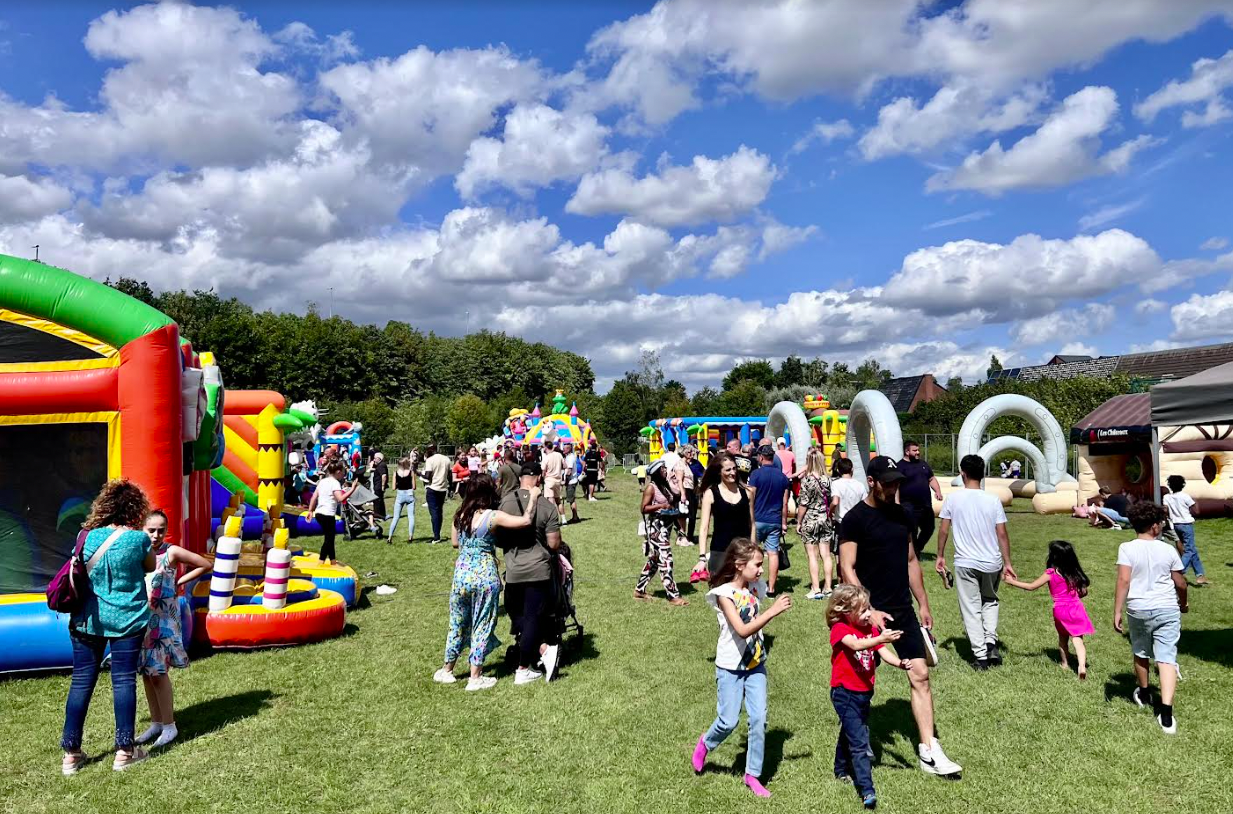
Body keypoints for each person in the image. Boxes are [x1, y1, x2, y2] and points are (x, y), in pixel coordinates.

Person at [838, 456, 962, 777]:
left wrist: (923, 603)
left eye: (896, 482)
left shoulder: (903, 515)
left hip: (902, 609)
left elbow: (910, 561)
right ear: (871, 482)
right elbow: (847, 567)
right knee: (861, 685)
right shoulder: (854, 519)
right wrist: (867, 610)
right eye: (887, 483)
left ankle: (929, 749)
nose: (893, 488)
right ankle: (856, 742)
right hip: (865, 613)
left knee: (920, 674)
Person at [61, 479, 157, 774]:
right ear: (136, 509)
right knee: (124, 681)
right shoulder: (139, 539)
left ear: (104, 506)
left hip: (88, 620)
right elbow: (151, 566)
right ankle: (125, 751)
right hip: (128, 619)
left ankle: (71, 754)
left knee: (81, 682)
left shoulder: (86, 537)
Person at [691, 538, 792, 798]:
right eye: (757, 565)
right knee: (728, 721)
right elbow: (742, 629)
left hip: (756, 664)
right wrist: (773, 612)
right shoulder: (724, 594)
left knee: (758, 719)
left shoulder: (756, 587)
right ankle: (706, 743)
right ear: (739, 565)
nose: (761, 570)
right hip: (730, 666)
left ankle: (752, 774)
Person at [433, 477, 539, 691]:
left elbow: (455, 542)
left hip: (462, 576)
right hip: (485, 576)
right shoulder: (492, 516)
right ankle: (475, 677)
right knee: (482, 623)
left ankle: (447, 670)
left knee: (457, 623)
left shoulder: (460, 515)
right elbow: (526, 520)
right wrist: (534, 497)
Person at [827, 584, 912, 810]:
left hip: (864, 693)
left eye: (868, 609)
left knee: (850, 731)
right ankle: (867, 790)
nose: (868, 614)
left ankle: (840, 769)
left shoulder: (870, 629)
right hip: (844, 693)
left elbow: (882, 651)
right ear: (846, 611)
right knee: (859, 742)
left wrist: (900, 663)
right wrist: (879, 638)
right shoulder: (840, 629)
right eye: (863, 610)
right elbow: (855, 645)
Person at [136, 510, 211, 749]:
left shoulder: (172, 552)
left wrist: (179, 581)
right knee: (147, 674)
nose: (156, 535)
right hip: (144, 622)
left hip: (163, 623)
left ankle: (169, 725)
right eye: (151, 530)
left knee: (158, 674)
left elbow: (205, 564)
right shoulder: (140, 553)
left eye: (161, 530)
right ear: (142, 530)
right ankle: (156, 722)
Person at [934, 454, 1017, 669]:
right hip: (992, 561)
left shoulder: (953, 499)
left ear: (963, 473)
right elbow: (1002, 533)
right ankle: (990, 643)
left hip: (966, 562)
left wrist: (940, 555)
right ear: (983, 474)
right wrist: (1007, 562)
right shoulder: (993, 500)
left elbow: (943, 530)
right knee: (990, 600)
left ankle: (980, 656)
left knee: (971, 607)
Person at [1114, 501, 1187, 735]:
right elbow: (1180, 582)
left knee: (1141, 651)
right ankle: (1166, 714)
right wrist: (1183, 602)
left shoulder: (1126, 548)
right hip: (1167, 608)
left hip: (1138, 608)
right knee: (1166, 658)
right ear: (1155, 526)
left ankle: (1144, 693)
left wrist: (1117, 611)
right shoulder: (1168, 549)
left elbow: (1124, 580)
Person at [497, 461, 564, 684]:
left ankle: (537, 652)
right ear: (539, 478)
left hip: (513, 569)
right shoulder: (547, 506)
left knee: (517, 615)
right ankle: (529, 663)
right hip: (538, 569)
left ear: (520, 478)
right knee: (532, 618)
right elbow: (554, 544)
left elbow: (499, 538)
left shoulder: (505, 502)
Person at [1005, 540, 1094, 678]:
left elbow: (1031, 586)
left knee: (1063, 638)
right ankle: (1081, 666)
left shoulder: (1051, 573)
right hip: (1076, 608)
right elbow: (1083, 592)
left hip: (1060, 610)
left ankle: (1065, 664)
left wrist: (1012, 582)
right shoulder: (1074, 572)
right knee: (1078, 639)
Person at [635, 460, 688, 606]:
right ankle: (673, 595)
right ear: (656, 472)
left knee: (654, 561)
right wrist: (660, 505)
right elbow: (643, 508)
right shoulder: (651, 488)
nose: (665, 470)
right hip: (656, 528)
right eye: (663, 468)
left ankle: (639, 590)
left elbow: (673, 499)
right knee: (666, 559)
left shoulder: (664, 486)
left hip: (666, 526)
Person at [696, 455, 754, 578]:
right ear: (719, 472)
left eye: (734, 468)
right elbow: (704, 528)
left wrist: (753, 550)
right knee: (719, 588)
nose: (733, 473)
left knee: (743, 589)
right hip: (720, 551)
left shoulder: (747, 492)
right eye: (728, 470)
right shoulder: (710, 493)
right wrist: (702, 558)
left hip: (743, 552)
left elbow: (752, 524)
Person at [748, 445, 790, 595]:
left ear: (760, 457)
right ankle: (771, 589)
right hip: (775, 520)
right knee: (773, 554)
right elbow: (785, 503)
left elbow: (751, 496)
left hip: (758, 519)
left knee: (752, 552)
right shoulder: (783, 477)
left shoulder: (756, 474)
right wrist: (784, 522)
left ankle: (751, 584)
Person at [795, 447, 834, 600]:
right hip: (825, 518)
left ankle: (816, 589)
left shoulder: (807, 480)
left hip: (810, 519)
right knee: (826, 555)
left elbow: (803, 503)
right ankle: (828, 587)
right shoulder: (828, 479)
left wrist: (799, 522)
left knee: (812, 555)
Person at [898, 440, 943, 556]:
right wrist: (896, 502)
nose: (918, 452)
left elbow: (931, 479)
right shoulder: (900, 467)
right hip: (908, 505)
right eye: (915, 450)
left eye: (918, 450)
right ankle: (913, 554)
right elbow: (896, 486)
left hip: (925, 504)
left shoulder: (923, 464)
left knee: (929, 528)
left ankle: (917, 548)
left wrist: (938, 491)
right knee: (912, 531)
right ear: (907, 452)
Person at [307, 461, 357, 562]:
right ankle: (321, 560)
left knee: (330, 537)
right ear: (338, 472)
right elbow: (340, 498)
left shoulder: (322, 481)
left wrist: (310, 511)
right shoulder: (335, 483)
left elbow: (314, 497)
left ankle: (332, 560)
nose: (343, 474)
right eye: (343, 471)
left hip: (319, 513)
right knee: (329, 539)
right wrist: (352, 489)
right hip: (328, 514)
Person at [1163, 475, 1206, 585]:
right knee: (1189, 550)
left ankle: (1200, 575)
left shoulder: (1167, 497)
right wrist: (1194, 502)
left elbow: (1166, 510)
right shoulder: (1185, 496)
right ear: (1183, 485)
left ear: (1170, 485)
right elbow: (1197, 511)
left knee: (1192, 550)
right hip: (1186, 524)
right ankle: (1179, 572)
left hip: (1176, 525)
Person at [421, 445, 452, 544]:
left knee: (434, 513)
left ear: (430, 450)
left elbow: (427, 476)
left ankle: (436, 536)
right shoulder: (446, 459)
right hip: (443, 489)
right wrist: (450, 488)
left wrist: (418, 473)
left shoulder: (430, 460)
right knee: (439, 512)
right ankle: (437, 534)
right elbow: (450, 475)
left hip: (433, 488)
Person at [387, 456, 417, 544]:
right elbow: (414, 487)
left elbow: (393, 488)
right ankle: (410, 536)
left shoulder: (395, 473)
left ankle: (389, 537)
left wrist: (398, 483)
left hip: (400, 495)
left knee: (396, 517)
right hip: (409, 494)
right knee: (411, 517)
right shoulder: (411, 472)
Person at [684, 445, 706, 544]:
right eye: (689, 452)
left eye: (692, 452)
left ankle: (690, 536)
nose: (692, 454)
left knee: (692, 515)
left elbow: (703, 473)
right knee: (681, 514)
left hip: (694, 491)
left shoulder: (697, 463)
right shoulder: (681, 464)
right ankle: (681, 536)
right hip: (684, 491)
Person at [541, 443, 566, 524]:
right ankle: (564, 519)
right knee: (558, 501)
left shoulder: (546, 458)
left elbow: (543, 471)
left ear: (546, 448)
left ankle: (553, 520)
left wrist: (543, 478)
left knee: (550, 502)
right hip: (558, 480)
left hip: (549, 480)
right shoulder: (559, 455)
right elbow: (565, 466)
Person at [562, 442, 582, 525]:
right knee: (571, 499)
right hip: (570, 481)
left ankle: (575, 517)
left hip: (571, 481)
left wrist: (565, 481)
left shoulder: (570, 458)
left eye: (565, 448)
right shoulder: (568, 457)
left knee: (571, 500)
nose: (563, 450)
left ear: (569, 449)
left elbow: (569, 471)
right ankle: (575, 516)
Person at [370, 452, 388, 521]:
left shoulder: (381, 465)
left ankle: (378, 515)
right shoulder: (380, 465)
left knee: (377, 501)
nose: (374, 460)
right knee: (380, 500)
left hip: (379, 485)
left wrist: (383, 485)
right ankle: (382, 515)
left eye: (375, 458)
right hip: (378, 485)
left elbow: (384, 475)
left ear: (379, 458)